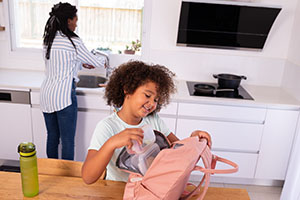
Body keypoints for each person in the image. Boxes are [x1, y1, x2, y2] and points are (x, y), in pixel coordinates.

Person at [81, 60, 212, 184]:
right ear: (128, 89)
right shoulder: (108, 127)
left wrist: (193, 139)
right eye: (147, 96)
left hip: (149, 190)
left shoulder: (154, 120)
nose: (151, 104)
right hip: (117, 191)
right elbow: (88, 177)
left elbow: (179, 152)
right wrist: (112, 143)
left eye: (156, 100)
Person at [40, 2, 107, 160]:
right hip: (64, 96)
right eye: (76, 19)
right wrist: (103, 62)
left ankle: (52, 171)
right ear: (69, 20)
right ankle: (67, 178)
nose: (77, 23)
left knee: (52, 137)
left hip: (47, 94)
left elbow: (60, 61)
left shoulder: (48, 40)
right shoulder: (73, 41)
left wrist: (80, 62)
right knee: (68, 140)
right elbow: (97, 62)